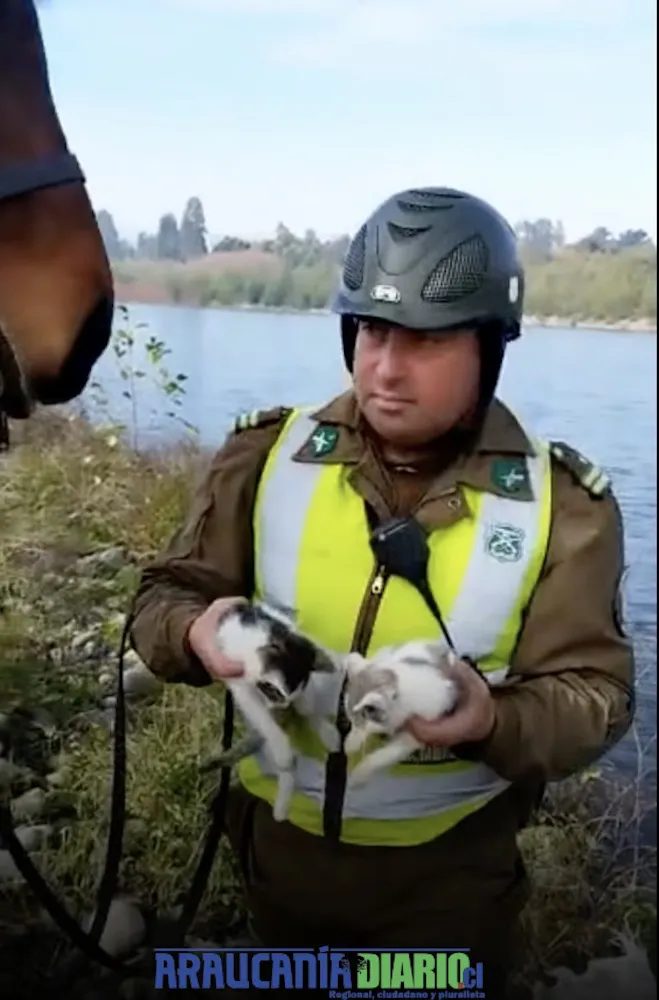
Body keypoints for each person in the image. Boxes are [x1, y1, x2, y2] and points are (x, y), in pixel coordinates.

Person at [129, 186, 635, 997]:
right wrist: (195, 631)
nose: (384, 367)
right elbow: (160, 600)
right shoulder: (263, 456)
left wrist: (488, 718)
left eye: (425, 342)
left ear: (489, 347)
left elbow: (595, 699)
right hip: (275, 866)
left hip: (446, 890)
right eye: (370, 329)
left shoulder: (562, 504)